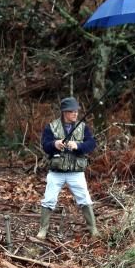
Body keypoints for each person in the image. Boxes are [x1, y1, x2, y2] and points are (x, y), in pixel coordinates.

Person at [37, 97, 99, 240]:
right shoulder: (51, 127)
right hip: (56, 172)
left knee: (85, 199)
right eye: (72, 111)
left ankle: (93, 230)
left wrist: (78, 146)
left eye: (76, 111)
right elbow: (45, 146)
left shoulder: (83, 127)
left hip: (76, 172)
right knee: (48, 200)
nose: (75, 114)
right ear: (64, 112)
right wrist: (55, 144)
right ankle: (43, 230)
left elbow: (91, 144)